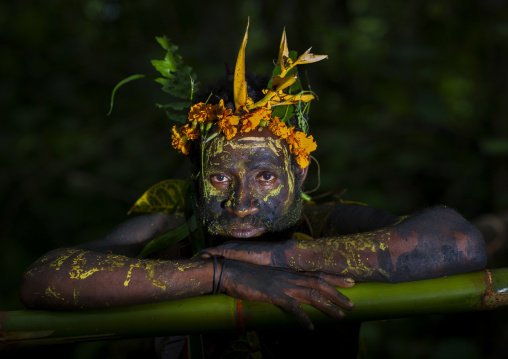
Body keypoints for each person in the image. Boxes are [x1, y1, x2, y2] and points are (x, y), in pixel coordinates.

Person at [19, 24, 487, 358]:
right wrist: (217, 276)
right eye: (221, 178)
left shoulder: (322, 225)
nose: (241, 204)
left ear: (298, 176)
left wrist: (278, 260)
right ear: (196, 178)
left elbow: (460, 242)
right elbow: (42, 279)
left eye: (265, 177)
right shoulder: (169, 228)